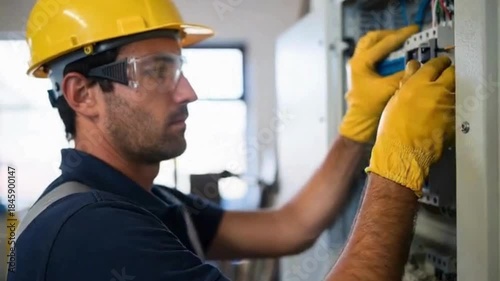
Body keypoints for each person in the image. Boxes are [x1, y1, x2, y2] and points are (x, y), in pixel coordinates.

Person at [8, 1, 455, 281]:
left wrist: (357, 127)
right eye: (157, 71)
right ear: (82, 94)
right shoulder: (91, 231)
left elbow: (290, 226)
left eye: (178, 69)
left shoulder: (147, 201)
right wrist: (399, 166)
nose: (188, 92)